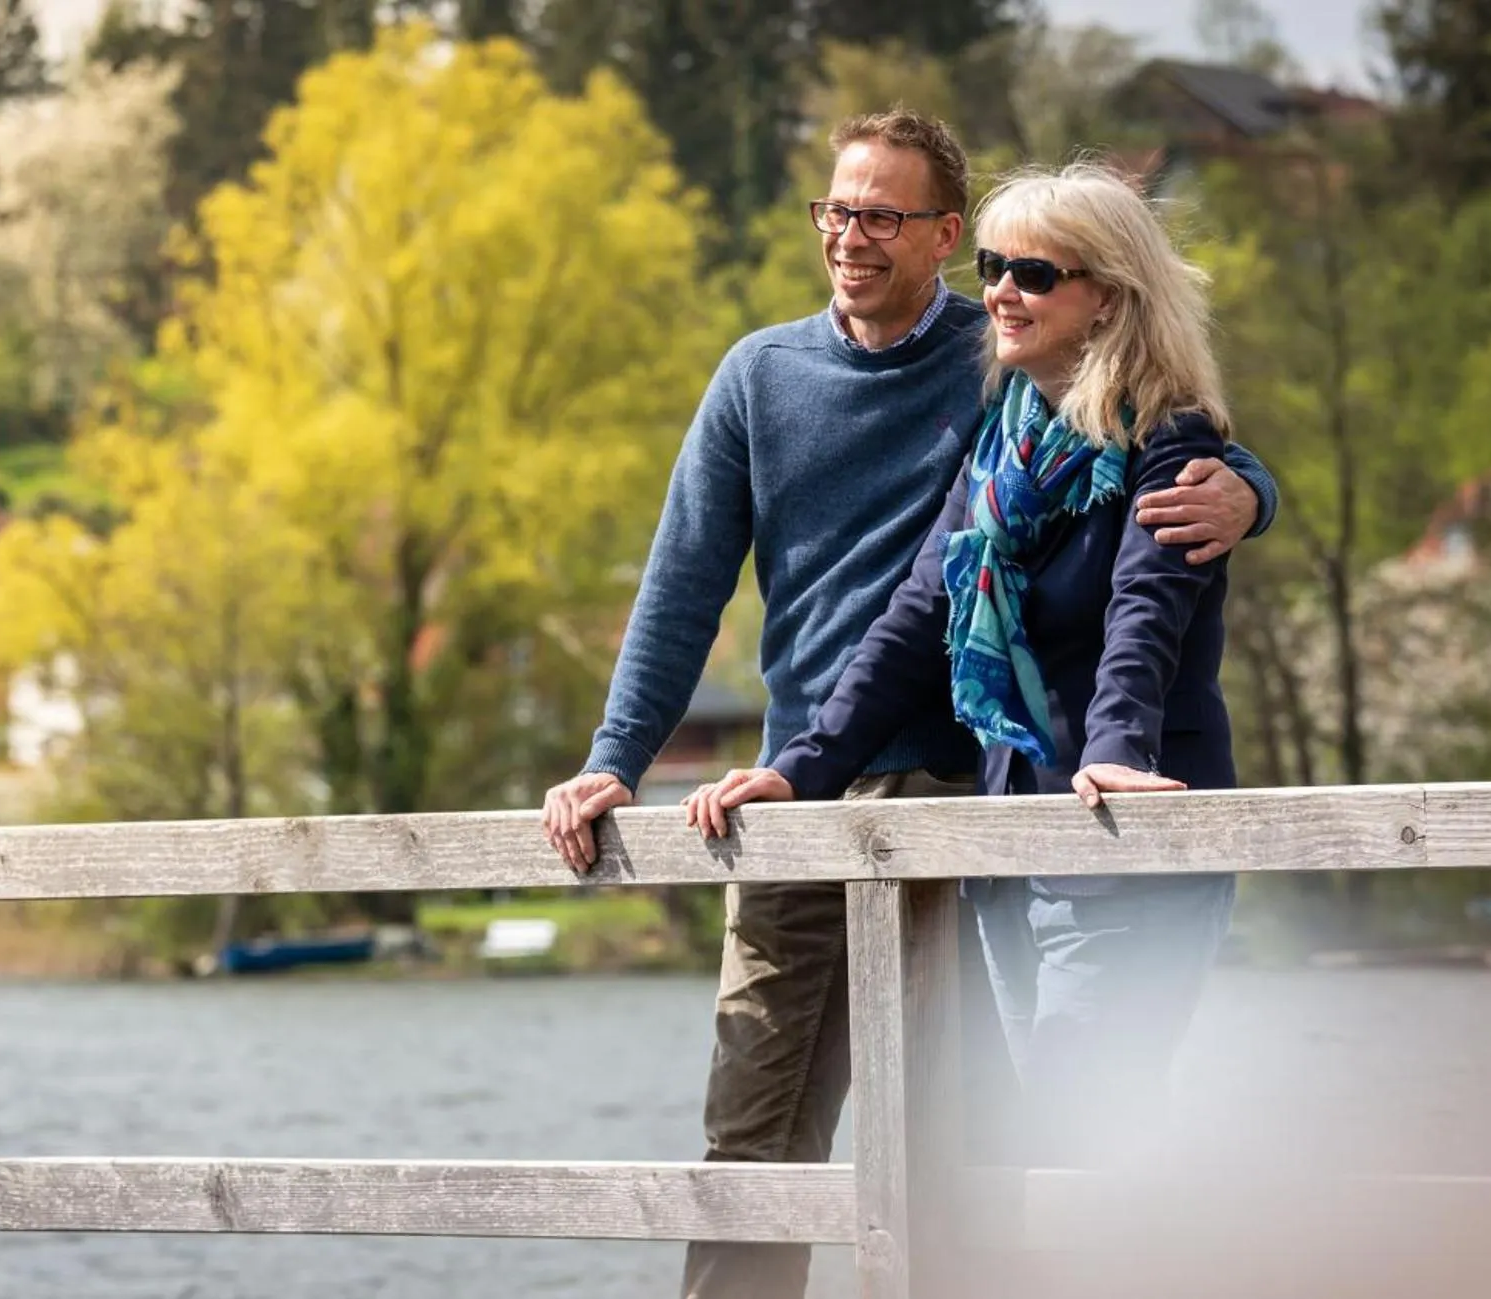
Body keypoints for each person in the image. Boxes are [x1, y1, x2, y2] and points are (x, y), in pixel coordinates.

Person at [539, 110, 1278, 1299]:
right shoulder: (808, 383)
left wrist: (1247, 489)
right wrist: (636, 759)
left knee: (974, 1151)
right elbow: (708, 589)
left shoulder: (1001, 371)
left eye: (884, 214)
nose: (851, 235)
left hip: (973, 802)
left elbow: (1156, 505)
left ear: (939, 231)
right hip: (815, 788)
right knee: (754, 1128)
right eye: (837, 208)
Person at [684, 162, 1246, 1169]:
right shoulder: (1005, 446)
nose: (998, 292)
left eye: (1032, 272)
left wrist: (1116, 749)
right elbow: (914, 618)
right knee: (1027, 1154)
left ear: (1106, 298)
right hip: (1013, 848)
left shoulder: (1170, 446)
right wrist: (800, 768)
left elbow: (1141, 620)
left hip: (1125, 843)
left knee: (1086, 1143)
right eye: (992, 265)